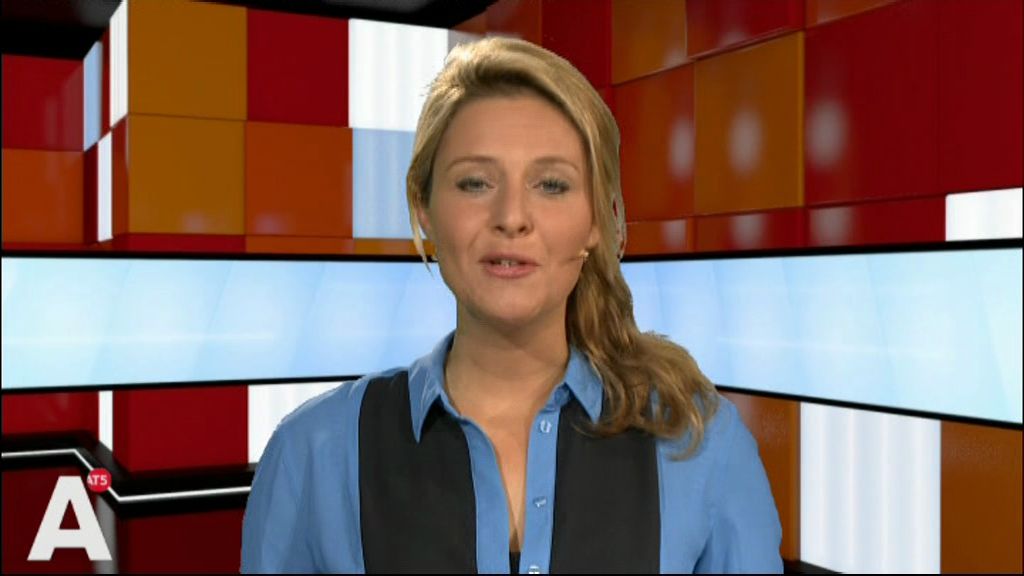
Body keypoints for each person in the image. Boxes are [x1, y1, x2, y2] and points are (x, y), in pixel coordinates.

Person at [241, 36, 782, 574]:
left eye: (552, 185)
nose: (512, 217)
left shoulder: (701, 443)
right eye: (475, 183)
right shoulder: (312, 453)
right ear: (424, 207)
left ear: (597, 219)